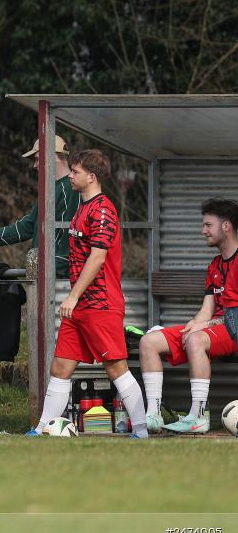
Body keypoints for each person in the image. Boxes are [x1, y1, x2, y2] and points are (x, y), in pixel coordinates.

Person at [27, 149, 148, 438]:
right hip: (80, 306)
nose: (70, 176)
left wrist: (72, 296)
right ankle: (42, 430)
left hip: (100, 304)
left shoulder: (103, 210)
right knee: (60, 366)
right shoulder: (82, 207)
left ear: (91, 177)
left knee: (116, 367)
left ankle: (142, 431)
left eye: (75, 172)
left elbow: (97, 258)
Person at [139, 198, 238, 434]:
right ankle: (153, 416)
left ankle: (198, 416)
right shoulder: (215, 265)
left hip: (233, 329)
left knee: (196, 339)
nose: (203, 231)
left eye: (208, 225)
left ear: (226, 226)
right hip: (215, 329)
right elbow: (207, 308)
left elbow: (232, 316)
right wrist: (195, 323)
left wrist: (202, 328)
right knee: (148, 341)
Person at [0, 135, 79, 279]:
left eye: (37, 159)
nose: (34, 165)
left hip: (60, 282)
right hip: (45, 277)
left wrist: (53, 271)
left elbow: (69, 241)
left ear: (52, 157)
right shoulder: (50, 188)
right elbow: (27, 226)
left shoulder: (72, 189)